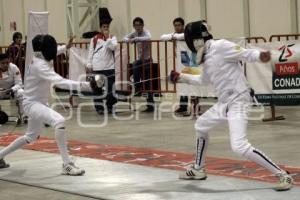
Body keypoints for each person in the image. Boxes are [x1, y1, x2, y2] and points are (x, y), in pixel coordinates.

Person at [170, 20, 293, 191]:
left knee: (239, 146)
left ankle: (283, 175)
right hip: (224, 103)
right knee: (200, 125)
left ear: (197, 40)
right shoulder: (206, 55)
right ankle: (198, 169)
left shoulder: (220, 46)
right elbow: (204, 80)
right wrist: (182, 78)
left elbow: (244, 53)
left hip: (239, 100)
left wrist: (260, 56)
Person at [0, 34, 102, 175]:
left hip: (37, 102)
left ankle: (0, 155)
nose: (54, 50)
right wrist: (88, 86)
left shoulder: (39, 58)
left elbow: (55, 52)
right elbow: (60, 82)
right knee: (59, 121)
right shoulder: (39, 66)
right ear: (44, 50)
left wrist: (65, 47)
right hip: (32, 104)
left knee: (30, 137)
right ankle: (66, 164)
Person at [86, 7, 118, 115]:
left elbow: (113, 48)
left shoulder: (112, 38)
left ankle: (110, 107)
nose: (106, 28)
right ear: (100, 28)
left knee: (110, 89)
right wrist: (89, 64)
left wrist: (107, 37)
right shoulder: (94, 39)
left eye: (107, 27)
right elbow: (90, 53)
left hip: (109, 68)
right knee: (97, 89)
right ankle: (99, 108)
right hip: (97, 68)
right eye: (104, 27)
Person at [123, 17, 154, 112]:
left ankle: (150, 105)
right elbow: (124, 38)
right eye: (136, 25)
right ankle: (137, 87)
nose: (137, 27)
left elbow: (149, 38)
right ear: (134, 26)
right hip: (140, 60)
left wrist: (136, 39)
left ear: (142, 25)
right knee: (135, 64)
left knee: (148, 82)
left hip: (147, 60)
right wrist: (130, 40)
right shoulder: (134, 32)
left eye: (139, 25)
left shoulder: (146, 32)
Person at [160, 17, 190, 116]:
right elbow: (162, 37)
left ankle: (191, 107)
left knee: (189, 84)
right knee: (182, 83)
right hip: (180, 62)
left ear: (183, 26)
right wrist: (173, 36)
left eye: (179, 25)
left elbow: (182, 36)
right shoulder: (176, 35)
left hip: (188, 61)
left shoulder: (187, 33)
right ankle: (183, 106)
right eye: (175, 25)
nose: (177, 27)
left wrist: (173, 37)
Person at [0, 53, 25, 124]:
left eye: (7, 63)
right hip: (0, 92)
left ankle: (23, 116)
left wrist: (11, 89)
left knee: (21, 92)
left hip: (12, 91)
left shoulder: (14, 67)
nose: (5, 65)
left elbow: (19, 83)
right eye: (3, 63)